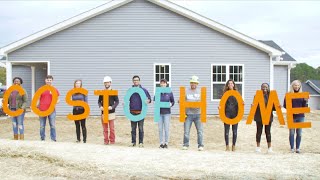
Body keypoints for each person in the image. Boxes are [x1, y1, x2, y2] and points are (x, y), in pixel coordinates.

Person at [284, 80, 308, 153]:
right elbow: (285, 106)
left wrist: (306, 101)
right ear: (292, 86)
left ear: (300, 86)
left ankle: (297, 148)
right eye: (295, 85)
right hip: (291, 116)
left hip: (300, 116)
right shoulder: (288, 94)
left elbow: (305, 107)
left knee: (299, 132)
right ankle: (292, 148)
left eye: (298, 85)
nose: (296, 86)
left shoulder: (303, 95)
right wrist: (293, 111)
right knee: (291, 132)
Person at [219, 79, 242, 152]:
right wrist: (220, 107)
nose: (231, 84)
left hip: (235, 114)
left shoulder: (237, 94)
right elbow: (222, 104)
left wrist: (242, 104)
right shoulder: (225, 94)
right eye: (229, 83)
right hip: (227, 114)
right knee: (226, 131)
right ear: (227, 85)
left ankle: (234, 146)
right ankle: (227, 146)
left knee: (234, 131)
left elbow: (240, 103)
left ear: (234, 85)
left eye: (232, 83)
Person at [182, 75, 204, 151]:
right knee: (186, 131)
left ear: (197, 84)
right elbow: (182, 100)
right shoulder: (186, 91)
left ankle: (200, 145)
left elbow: (203, 102)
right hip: (188, 114)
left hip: (198, 114)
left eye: (194, 83)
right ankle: (185, 144)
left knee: (200, 131)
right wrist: (180, 101)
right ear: (190, 83)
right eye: (192, 83)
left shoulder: (201, 91)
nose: (193, 84)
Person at [128, 75, 151, 148]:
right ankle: (133, 142)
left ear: (139, 81)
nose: (135, 81)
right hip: (132, 112)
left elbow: (149, 99)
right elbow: (126, 99)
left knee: (141, 128)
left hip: (141, 112)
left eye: (137, 80)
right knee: (133, 128)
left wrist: (148, 101)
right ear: (133, 81)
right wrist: (124, 104)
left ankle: (141, 142)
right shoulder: (130, 90)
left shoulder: (144, 90)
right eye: (134, 80)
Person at [253, 83, 275, 153]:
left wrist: (278, 106)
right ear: (261, 88)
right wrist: (253, 105)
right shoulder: (257, 95)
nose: (264, 88)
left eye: (266, 87)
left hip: (268, 116)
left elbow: (274, 108)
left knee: (268, 132)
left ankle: (269, 148)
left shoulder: (271, 96)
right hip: (259, 116)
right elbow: (255, 106)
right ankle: (258, 147)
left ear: (268, 88)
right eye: (263, 87)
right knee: (259, 132)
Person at [98, 76, 119, 145]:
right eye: (105, 82)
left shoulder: (113, 92)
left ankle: (112, 141)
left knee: (112, 128)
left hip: (111, 113)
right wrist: (100, 106)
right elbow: (99, 101)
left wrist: (112, 107)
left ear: (110, 83)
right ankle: (106, 141)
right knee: (105, 129)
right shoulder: (102, 92)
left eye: (108, 82)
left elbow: (117, 101)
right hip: (104, 113)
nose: (106, 84)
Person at [39, 75, 60, 141]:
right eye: (47, 80)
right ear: (45, 80)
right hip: (42, 110)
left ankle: (53, 139)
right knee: (42, 125)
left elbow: (58, 99)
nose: (49, 81)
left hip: (51, 110)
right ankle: (42, 138)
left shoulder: (55, 89)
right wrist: (34, 107)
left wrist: (56, 102)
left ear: (52, 81)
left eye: (50, 80)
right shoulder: (41, 89)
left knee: (52, 125)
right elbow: (37, 99)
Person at [154, 79, 174, 149]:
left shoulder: (169, 92)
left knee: (166, 128)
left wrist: (170, 104)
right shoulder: (157, 92)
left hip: (167, 113)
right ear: (160, 84)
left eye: (164, 83)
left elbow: (173, 101)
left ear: (166, 84)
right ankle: (161, 143)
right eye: (161, 83)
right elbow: (155, 100)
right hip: (158, 113)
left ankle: (166, 143)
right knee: (160, 129)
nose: (163, 84)